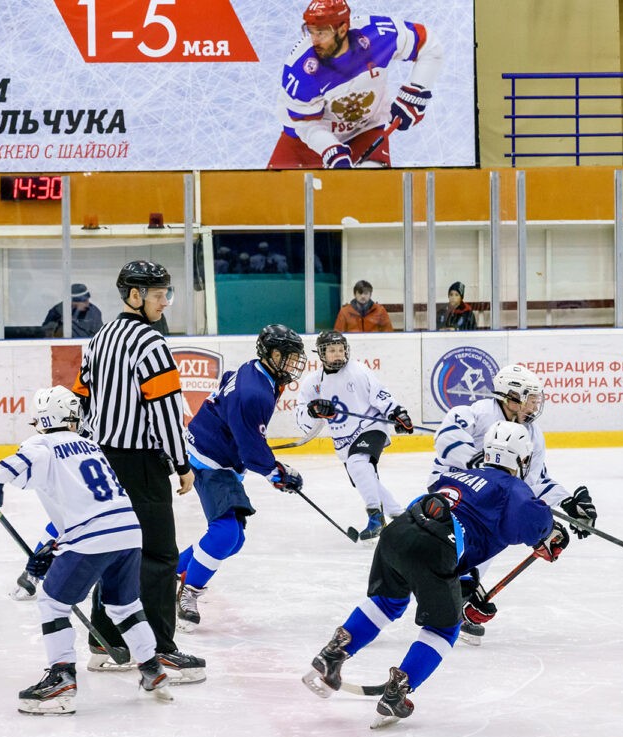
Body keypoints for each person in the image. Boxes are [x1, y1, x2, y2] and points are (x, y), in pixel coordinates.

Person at [302, 421, 592, 728]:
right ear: (521, 460)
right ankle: (396, 694)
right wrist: (553, 531)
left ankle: (333, 653)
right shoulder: (513, 489)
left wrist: (466, 583)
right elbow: (532, 525)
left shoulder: (459, 474)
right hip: (437, 545)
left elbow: (461, 522)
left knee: (387, 603)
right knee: (443, 629)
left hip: (400, 530)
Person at [0, 386, 172, 715]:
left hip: (92, 534)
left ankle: (62, 676)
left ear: (42, 420)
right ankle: (152, 668)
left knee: (52, 602)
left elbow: (8, 467)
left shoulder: (41, 444)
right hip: (128, 530)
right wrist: (57, 547)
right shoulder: (90, 446)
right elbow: (83, 504)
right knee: (124, 604)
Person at [70, 260, 205, 683]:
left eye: (167, 292)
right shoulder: (151, 344)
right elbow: (164, 413)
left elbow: (81, 402)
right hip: (141, 465)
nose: (166, 301)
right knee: (159, 556)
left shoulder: (99, 339)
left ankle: (105, 644)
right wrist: (182, 464)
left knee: (113, 550)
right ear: (134, 295)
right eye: (159, 294)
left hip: (104, 463)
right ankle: (161, 649)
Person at [427, 363, 597, 644]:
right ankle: (455, 597)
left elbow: (533, 480)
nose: (534, 404)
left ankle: (459, 597)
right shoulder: (479, 413)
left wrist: (567, 502)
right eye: (530, 398)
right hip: (453, 485)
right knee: (489, 527)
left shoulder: (532, 434)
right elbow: (444, 437)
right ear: (512, 398)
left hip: (486, 497)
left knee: (499, 527)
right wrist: (472, 459)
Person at [175, 324, 308, 630]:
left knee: (234, 540)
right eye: (287, 357)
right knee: (225, 535)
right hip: (210, 459)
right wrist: (277, 473)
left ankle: (173, 570)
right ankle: (188, 592)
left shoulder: (257, 373)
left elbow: (246, 435)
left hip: (212, 450)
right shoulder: (254, 392)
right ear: (272, 355)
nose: (292, 365)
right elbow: (250, 450)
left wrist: (273, 468)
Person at [268, 0, 444, 169]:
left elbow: (428, 45)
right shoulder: (301, 69)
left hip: (365, 131)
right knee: (267, 199)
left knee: (372, 196)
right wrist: (330, 149)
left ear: (343, 29)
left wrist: (416, 94)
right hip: (303, 142)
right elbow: (305, 125)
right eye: (310, 31)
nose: (314, 40)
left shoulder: (378, 35)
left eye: (321, 32)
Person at [294, 330, 414, 540]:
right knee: (366, 478)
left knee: (359, 463)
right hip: (343, 442)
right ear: (321, 354)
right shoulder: (312, 383)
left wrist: (397, 413)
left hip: (371, 426)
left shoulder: (358, 371)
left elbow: (380, 394)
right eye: (332, 350)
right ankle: (399, 514)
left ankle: (375, 517)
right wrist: (314, 410)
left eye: (341, 349)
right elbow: (302, 418)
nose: (338, 354)